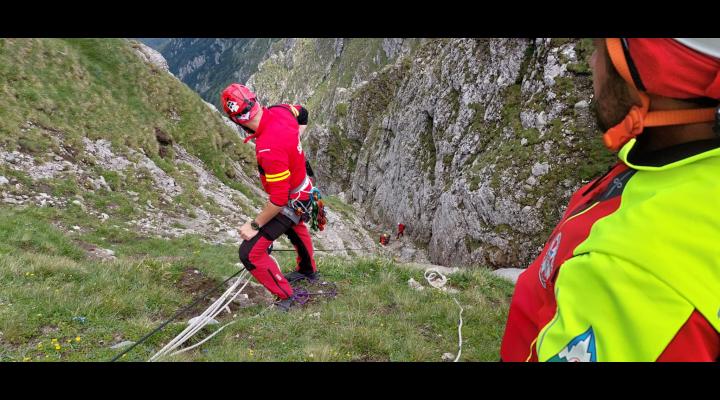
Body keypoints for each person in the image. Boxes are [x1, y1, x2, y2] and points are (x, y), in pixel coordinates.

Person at [501, 38, 720, 361]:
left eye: (601, 46)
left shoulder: (628, 272)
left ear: (645, 71)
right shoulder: (670, 164)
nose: (591, 63)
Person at [221, 83, 318, 312]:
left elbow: (278, 199)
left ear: (237, 120)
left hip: (291, 199)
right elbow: (302, 112)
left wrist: (254, 225)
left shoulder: (268, 148)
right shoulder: (281, 111)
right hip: (305, 186)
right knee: (296, 227)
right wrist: (295, 139)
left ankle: (286, 297)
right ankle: (308, 270)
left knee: (250, 253)